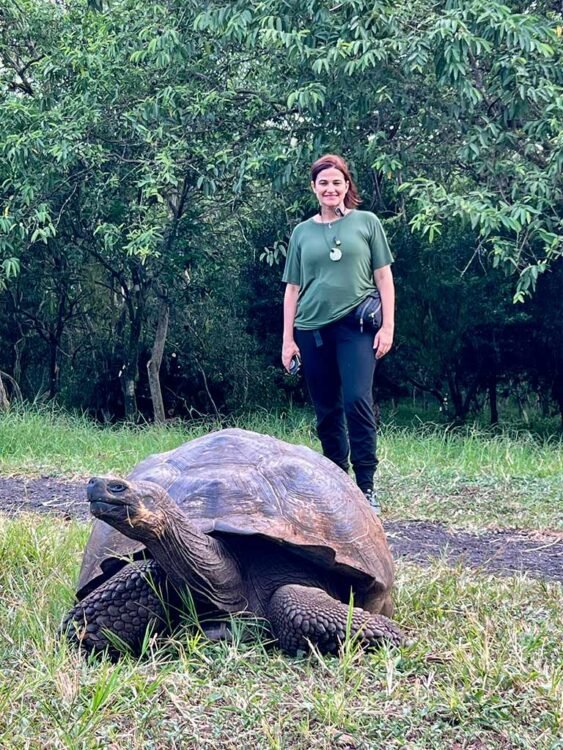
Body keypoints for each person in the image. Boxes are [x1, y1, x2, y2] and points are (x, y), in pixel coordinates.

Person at [281, 154, 395, 512]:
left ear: (347, 186)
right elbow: (292, 289)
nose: (330, 188)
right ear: (314, 188)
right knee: (326, 409)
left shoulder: (367, 223)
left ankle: (366, 488)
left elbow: (383, 277)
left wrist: (389, 325)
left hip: (356, 326)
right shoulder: (302, 232)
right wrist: (287, 339)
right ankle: (336, 484)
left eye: (337, 182)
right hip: (311, 329)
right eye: (323, 183)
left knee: (356, 401)